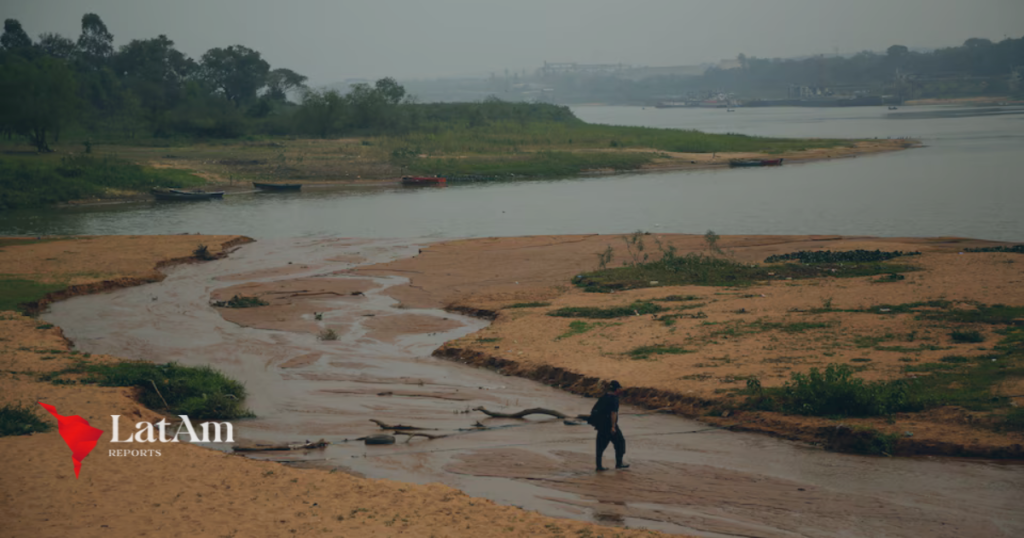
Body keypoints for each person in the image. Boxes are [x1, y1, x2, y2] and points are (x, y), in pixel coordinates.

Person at [589, 380, 628, 471]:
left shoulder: (603, 397)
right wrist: (613, 426)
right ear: (616, 389)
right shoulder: (614, 399)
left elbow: (594, 410)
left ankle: (599, 466)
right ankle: (619, 463)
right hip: (609, 426)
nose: (620, 391)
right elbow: (613, 413)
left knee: (600, 447)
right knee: (620, 442)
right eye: (619, 389)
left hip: (600, 425)